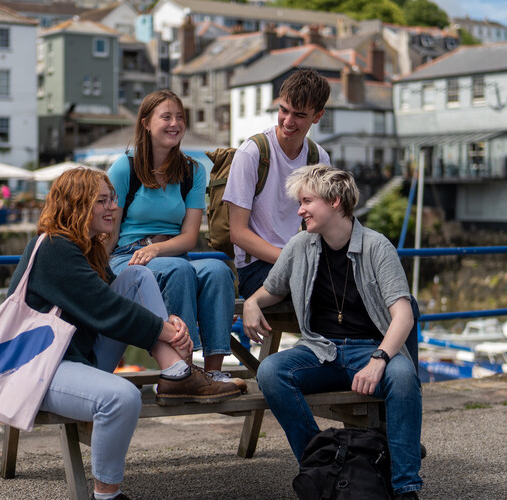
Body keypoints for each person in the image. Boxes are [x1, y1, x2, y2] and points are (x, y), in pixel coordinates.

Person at [7, 168, 241, 500]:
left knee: (137, 277)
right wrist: (167, 330)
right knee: (121, 397)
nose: (113, 207)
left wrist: (168, 323)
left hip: (80, 359)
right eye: (101, 201)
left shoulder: (88, 250)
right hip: (43, 367)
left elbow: (116, 305)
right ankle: (106, 495)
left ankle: (175, 371)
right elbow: (107, 310)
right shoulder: (54, 248)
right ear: (76, 205)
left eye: (113, 199)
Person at [242, 164, 423, 499]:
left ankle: (405, 487)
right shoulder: (300, 245)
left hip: (369, 349)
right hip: (319, 350)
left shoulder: (376, 247)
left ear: (335, 201)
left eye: (307, 201)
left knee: (404, 378)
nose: (300, 210)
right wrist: (253, 301)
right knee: (270, 371)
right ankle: (324, 464)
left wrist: (380, 359)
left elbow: (404, 314)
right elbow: (273, 289)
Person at [107, 90, 242, 388]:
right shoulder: (124, 168)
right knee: (179, 270)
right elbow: (109, 229)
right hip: (128, 259)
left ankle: (213, 370)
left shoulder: (193, 171)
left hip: (170, 255)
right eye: (166, 117)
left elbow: (190, 238)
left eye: (180, 117)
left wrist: (157, 249)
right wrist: (98, 273)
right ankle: (182, 370)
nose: (175, 123)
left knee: (219, 270)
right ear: (145, 123)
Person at [223, 68, 332, 299]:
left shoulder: (318, 158)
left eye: (299, 115)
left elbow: (326, 223)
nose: (288, 121)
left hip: (300, 263)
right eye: (283, 110)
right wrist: (293, 259)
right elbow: (238, 233)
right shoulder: (252, 153)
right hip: (255, 269)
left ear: (318, 116)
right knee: (331, 295)